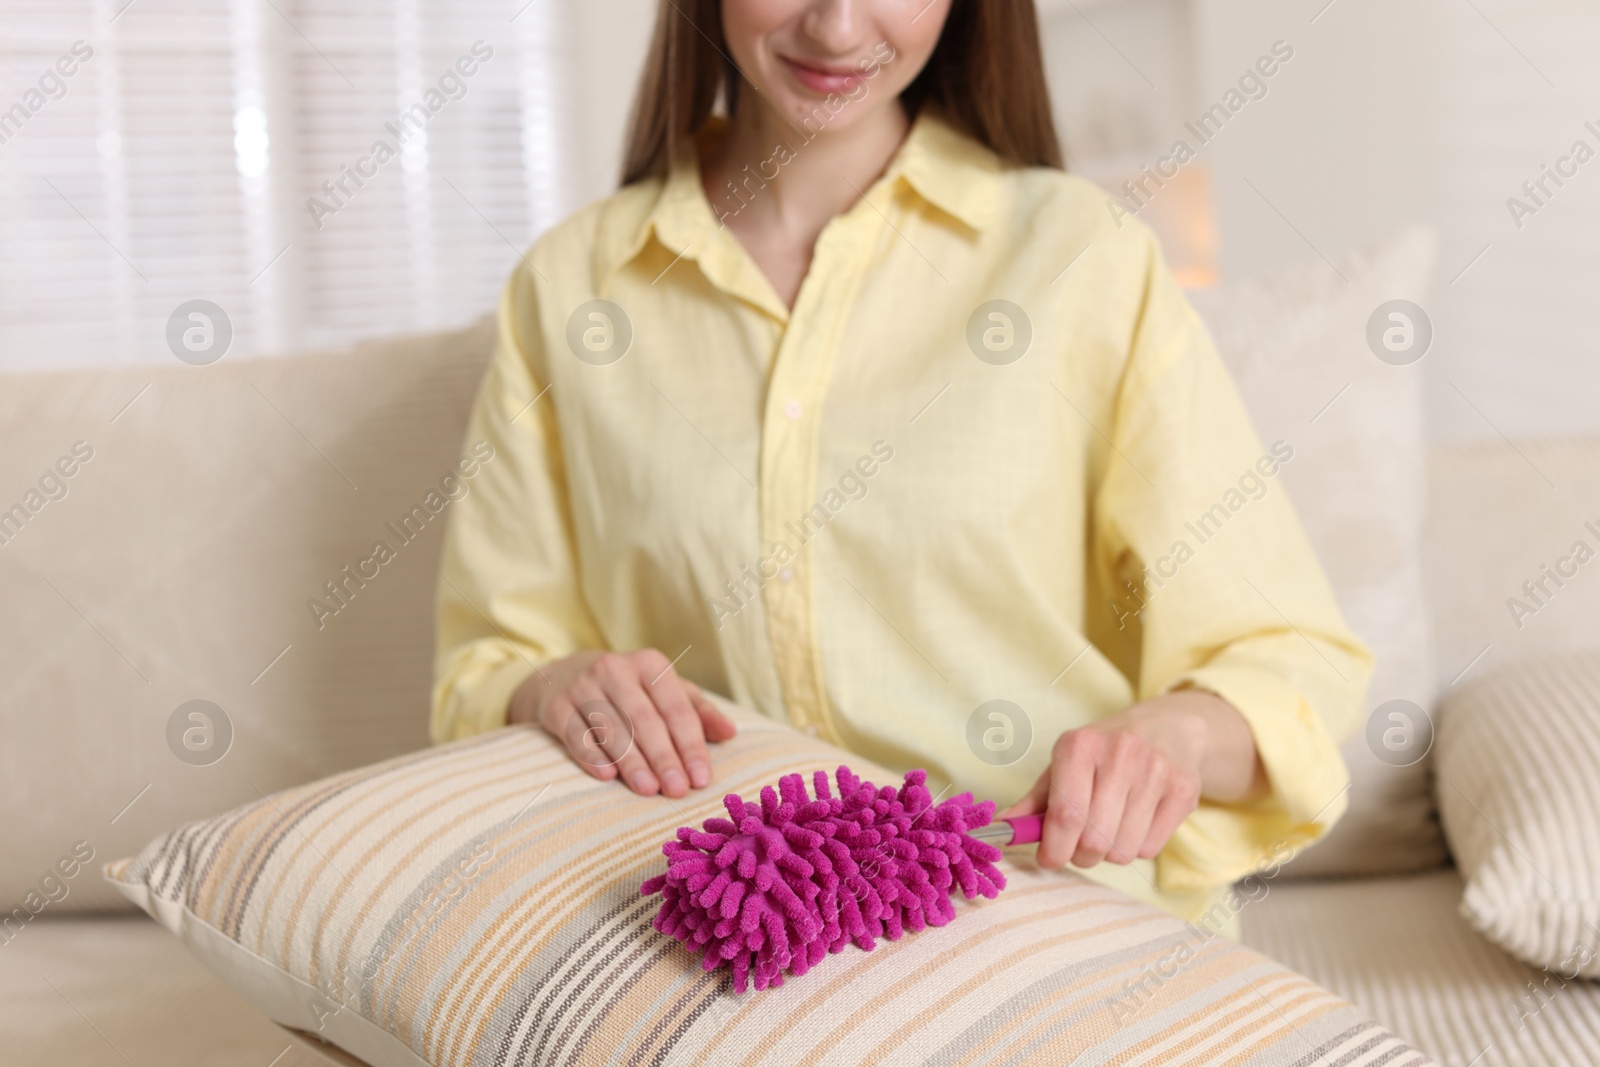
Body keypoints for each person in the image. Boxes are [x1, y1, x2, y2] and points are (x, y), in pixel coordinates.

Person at [431, 0, 1371, 930]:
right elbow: (484, 666)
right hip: (729, 941)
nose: (838, 29)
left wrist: (1171, 738)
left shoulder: (1083, 258)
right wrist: (551, 687)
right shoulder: (568, 289)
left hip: (1049, 918)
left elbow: (1289, 660)